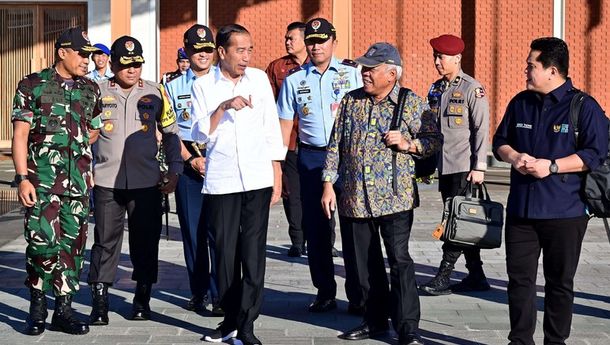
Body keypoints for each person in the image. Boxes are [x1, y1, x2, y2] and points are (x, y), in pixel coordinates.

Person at [493, 37, 608, 345]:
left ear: (552, 70)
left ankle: (555, 341)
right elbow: (499, 141)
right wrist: (514, 157)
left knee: (559, 284)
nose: (525, 70)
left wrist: (552, 166)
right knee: (519, 282)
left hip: (565, 212)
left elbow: (595, 153)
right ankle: (520, 340)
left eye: (531, 65)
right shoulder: (520, 103)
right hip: (521, 210)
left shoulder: (583, 106)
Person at [322, 42, 439, 345]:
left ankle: (407, 326)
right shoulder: (351, 101)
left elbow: (433, 141)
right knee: (365, 265)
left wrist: (409, 144)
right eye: (363, 68)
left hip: (395, 198)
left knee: (399, 262)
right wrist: (327, 184)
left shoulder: (411, 103)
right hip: (354, 198)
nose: (364, 74)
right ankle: (374, 322)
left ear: (391, 73)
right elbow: (336, 145)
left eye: (371, 69)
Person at [191, 24, 285, 345]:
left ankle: (247, 323)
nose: (246, 57)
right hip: (223, 180)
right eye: (240, 50)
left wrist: (277, 171)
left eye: (250, 50)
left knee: (253, 253)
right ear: (222, 52)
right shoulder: (203, 85)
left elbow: (271, 125)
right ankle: (230, 319)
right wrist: (223, 107)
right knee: (224, 254)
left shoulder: (258, 79)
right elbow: (199, 133)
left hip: (257, 177)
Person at [87, 35, 183, 324]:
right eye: (126, 65)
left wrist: (175, 169)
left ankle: (142, 298)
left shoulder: (156, 92)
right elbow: (85, 134)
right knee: (105, 242)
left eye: (137, 64)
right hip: (106, 180)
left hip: (146, 182)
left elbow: (171, 133)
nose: (132, 70)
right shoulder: (96, 91)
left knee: (145, 242)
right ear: (113, 63)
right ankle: (100, 302)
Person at [11, 26, 100, 335]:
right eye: (82, 54)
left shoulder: (90, 89)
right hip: (42, 183)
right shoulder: (32, 85)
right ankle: (37, 307)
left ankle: (64, 309)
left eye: (90, 56)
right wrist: (23, 178)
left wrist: (80, 149)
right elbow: (20, 136)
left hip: (78, 186)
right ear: (63, 52)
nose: (88, 61)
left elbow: (95, 126)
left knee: (73, 248)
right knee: (41, 245)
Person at [277, 17, 363, 314]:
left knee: (355, 226)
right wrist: (278, 165)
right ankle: (325, 291)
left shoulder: (353, 75)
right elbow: (285, 123)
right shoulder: (294, 80)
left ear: (334, 42)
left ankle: (358, 294)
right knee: (316, 228)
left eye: (321, 40)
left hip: (348, 156)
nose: (315, 46)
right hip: (311, 157)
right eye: (311, 41)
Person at [418, 34, 491, 296]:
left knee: (453, 221)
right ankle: (477, 276)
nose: (437, 61)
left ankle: (443, 275)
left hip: (464, 166)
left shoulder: (472, 88)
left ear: (457, 58)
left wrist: (479, 166)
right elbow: (430, 128)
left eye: (442, 57)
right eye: (435, 56)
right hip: (444, 165)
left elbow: (482, 129)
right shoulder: (436, 89)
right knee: (463, 220)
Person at [163, 24, 223, 315]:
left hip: (223, 165)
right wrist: (190, 160)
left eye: (207, 49)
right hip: (191, 166)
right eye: (196, 49)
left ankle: (220, 292)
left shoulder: (225, 81)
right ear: (186, 50)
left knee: (220, 233)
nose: (202, 54)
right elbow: (169, 132)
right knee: (194, 233)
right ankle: (199, 291)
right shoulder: (172, 87)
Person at [265, 21, 309, 257]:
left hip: (315, 141)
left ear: (305, 39)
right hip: (288, 140)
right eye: (286, 38)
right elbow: (267, 103)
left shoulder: (318, 65)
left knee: (319, 189)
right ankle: (297, 240)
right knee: (292, 192)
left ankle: (324, 240)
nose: (287, 42)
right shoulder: (277, 67)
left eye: (291, 38)